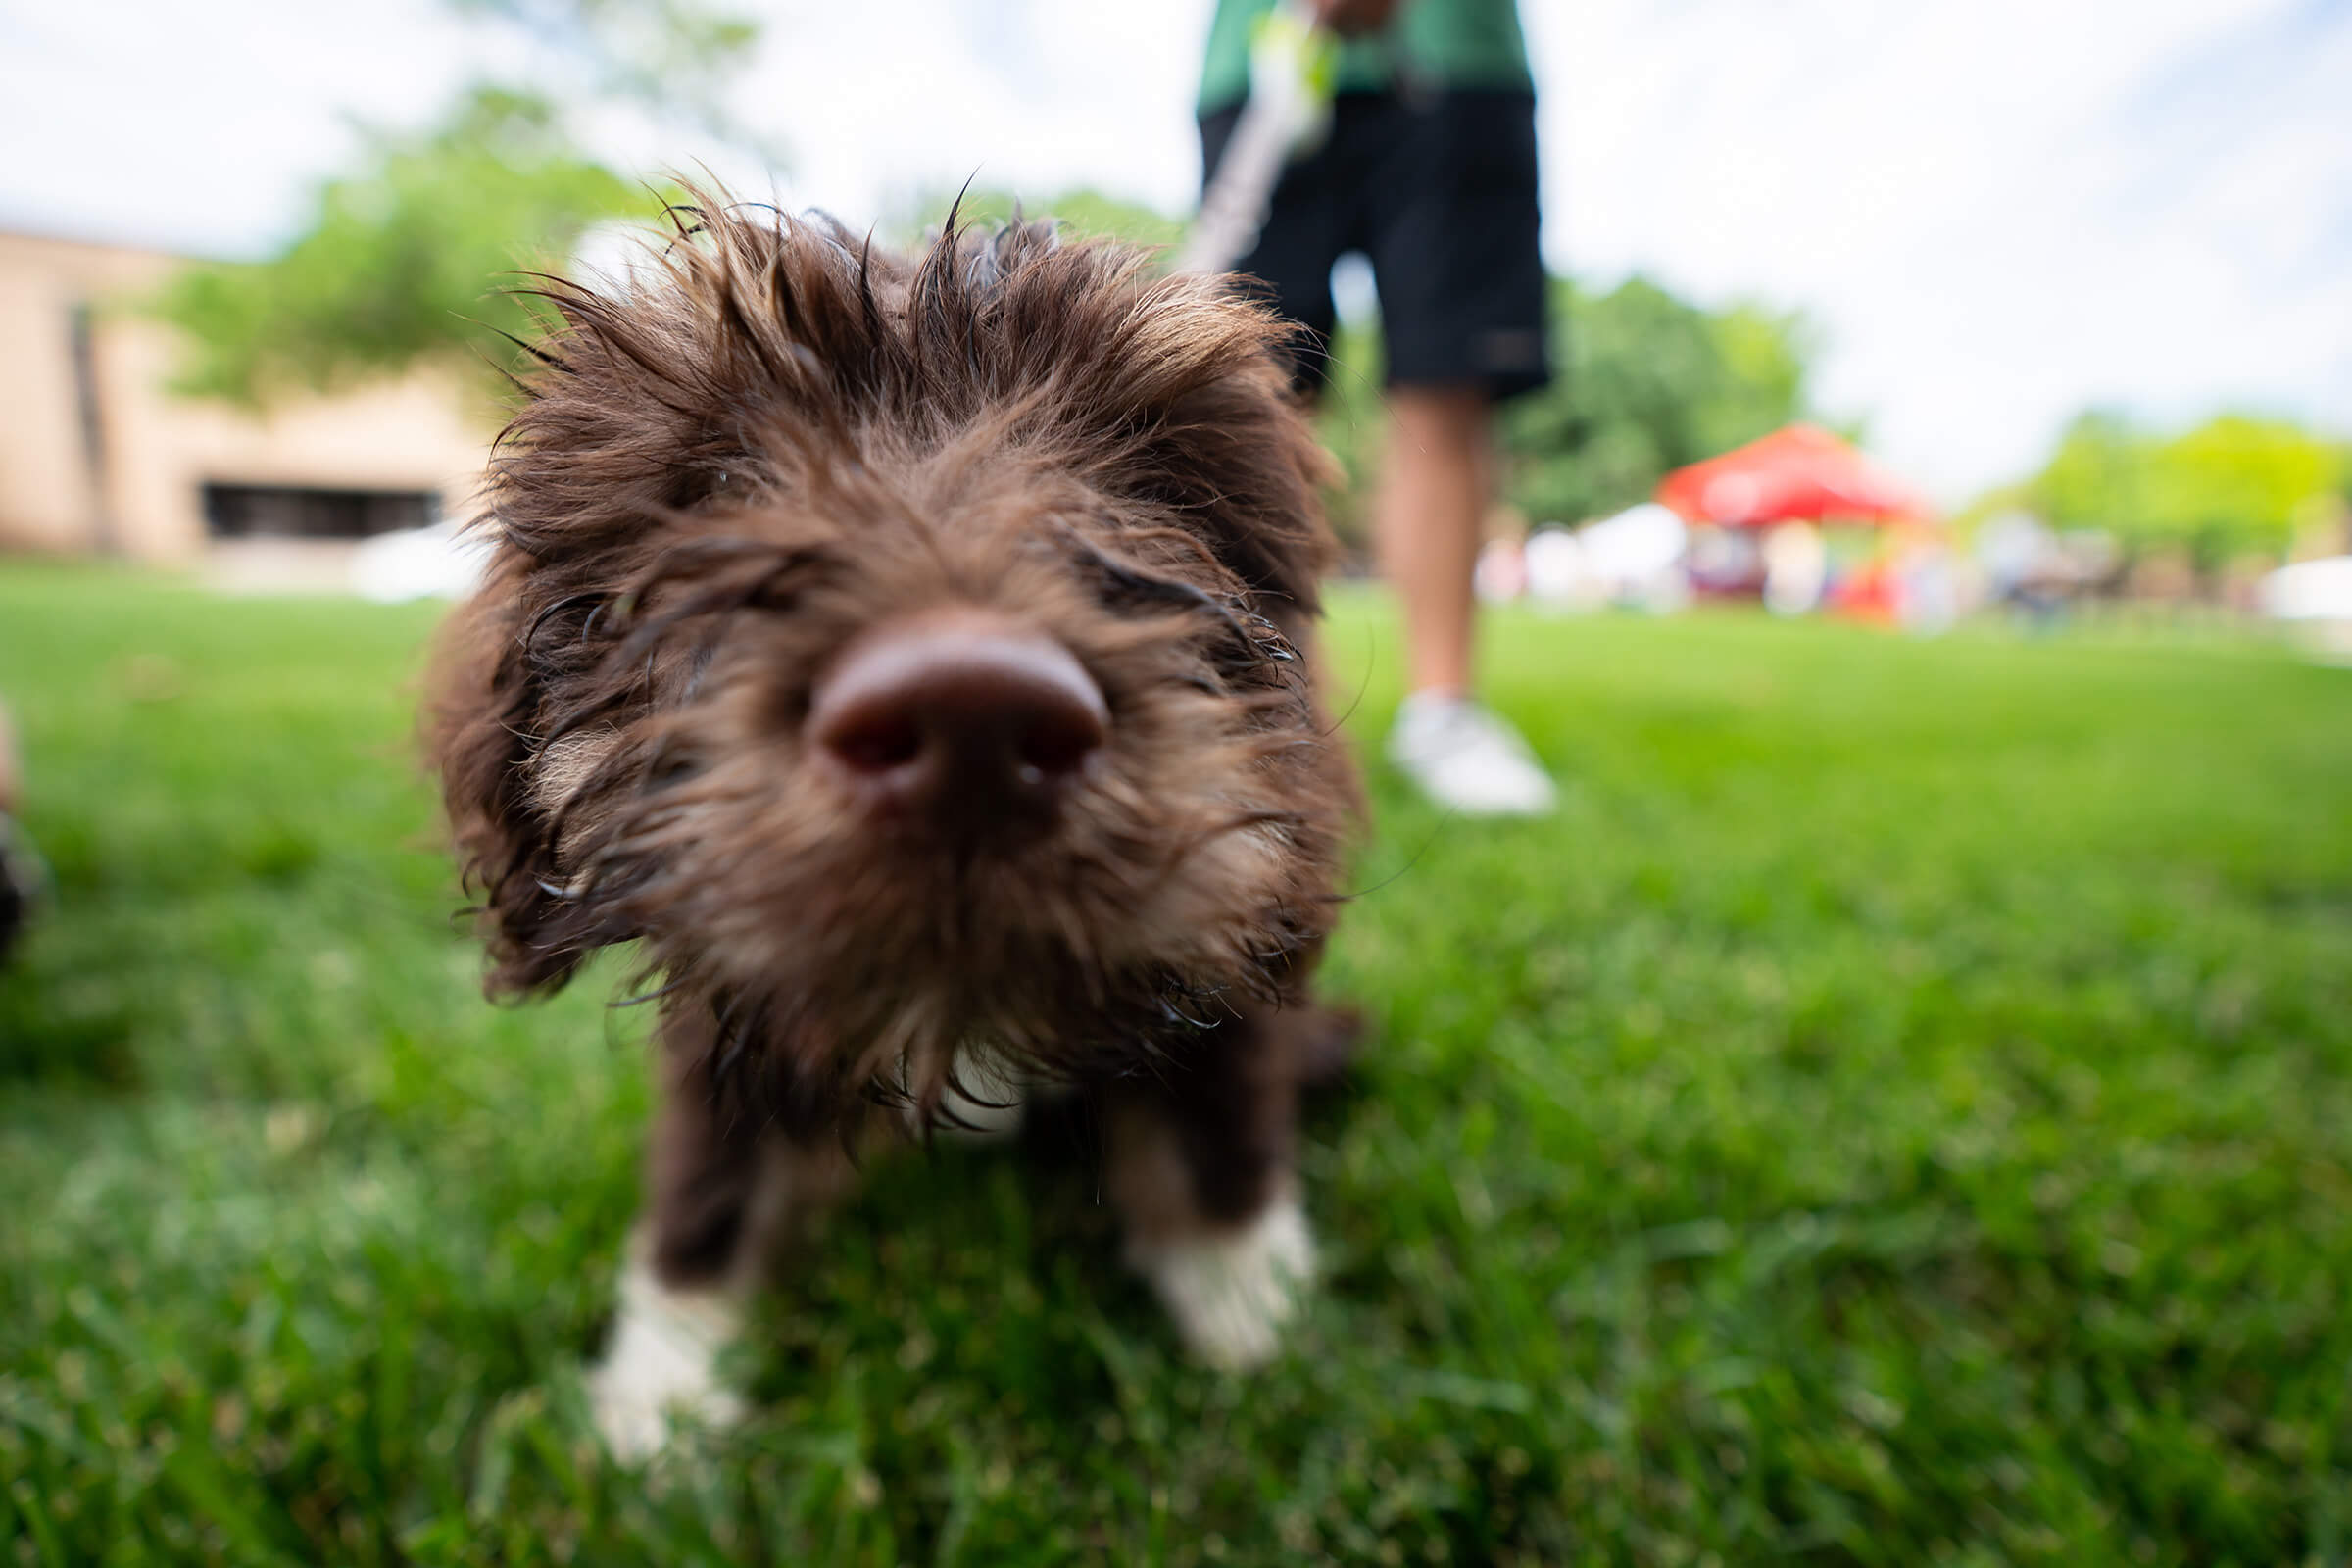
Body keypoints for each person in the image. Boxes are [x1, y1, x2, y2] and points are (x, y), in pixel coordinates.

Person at [1197, 0, 1557, 815]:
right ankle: (1263, 698)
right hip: (1265, 52)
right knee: (1253, 385)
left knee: (1447, 380)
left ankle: (1444, 712)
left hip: (1452, 58)